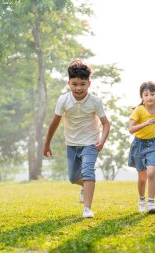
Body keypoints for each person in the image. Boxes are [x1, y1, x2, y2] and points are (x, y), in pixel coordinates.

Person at [43, 59, 110, 218]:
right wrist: (46, 145)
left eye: (82, 84)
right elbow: (54, 124)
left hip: (91, 142)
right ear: (69, 83)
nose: (78, 88)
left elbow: (106, 124)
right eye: (74, 84)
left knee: (88, 172)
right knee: (73, 178)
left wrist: (102, 140)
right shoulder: (63, 100)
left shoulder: (95, 101)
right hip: (72, 144)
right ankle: (84, 187)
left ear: (89, 83)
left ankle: (87, 209)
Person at [128, 81, 155, 214]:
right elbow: (131, 129)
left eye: (152, 94)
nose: (149, 97)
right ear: (142, 97)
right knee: (142, 176)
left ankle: (151, 202)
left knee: (151, 172)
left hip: (153, 143)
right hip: (139, 145)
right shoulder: (138, 110)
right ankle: (142, 199)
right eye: (146, 95)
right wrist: (145, 123)